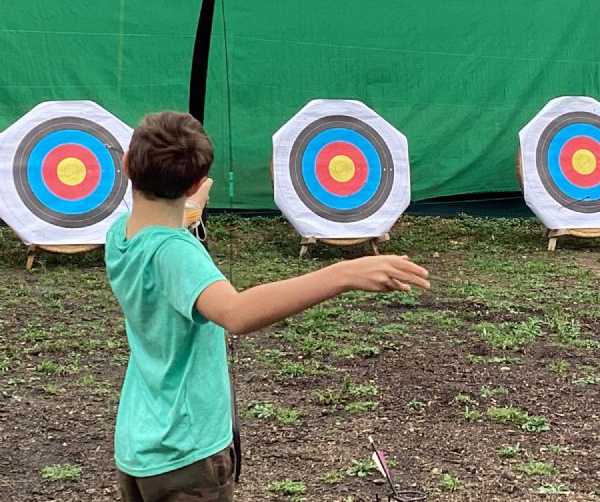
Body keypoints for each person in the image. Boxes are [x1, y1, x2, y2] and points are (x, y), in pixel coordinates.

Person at [105, 111, 431, 502]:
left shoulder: (121, 233)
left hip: (139, 445)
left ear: (127, 164)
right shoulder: (174, 253)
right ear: (194, 181)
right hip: (185, 455)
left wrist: (191, 207)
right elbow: (235, 312)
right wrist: (345, 273)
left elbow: (163, 227)